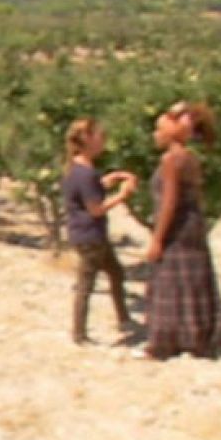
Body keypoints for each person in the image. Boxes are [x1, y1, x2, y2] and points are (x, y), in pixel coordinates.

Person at [144, 101, 221, 359]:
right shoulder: (189, 158)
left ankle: (166, 343)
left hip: (178, 228)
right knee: (191, 279)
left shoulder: (171, 159)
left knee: (170, 279)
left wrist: (157, 238)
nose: (155, 134)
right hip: (192, 227)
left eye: (159, 128)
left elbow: (169, 202)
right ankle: (198, 338)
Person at [61, 118, 138, 345]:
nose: (103, 142)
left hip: (84, 234)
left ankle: (123, 318)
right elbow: (95, 208)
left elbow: (88, 192)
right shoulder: (85, 173)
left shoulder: (77, 169)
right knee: (87, 284)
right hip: (91, 235)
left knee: (115, 273)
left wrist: (107, 182)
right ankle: (79, 333)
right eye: (100, 137)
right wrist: (123, 195)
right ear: (87, 139)